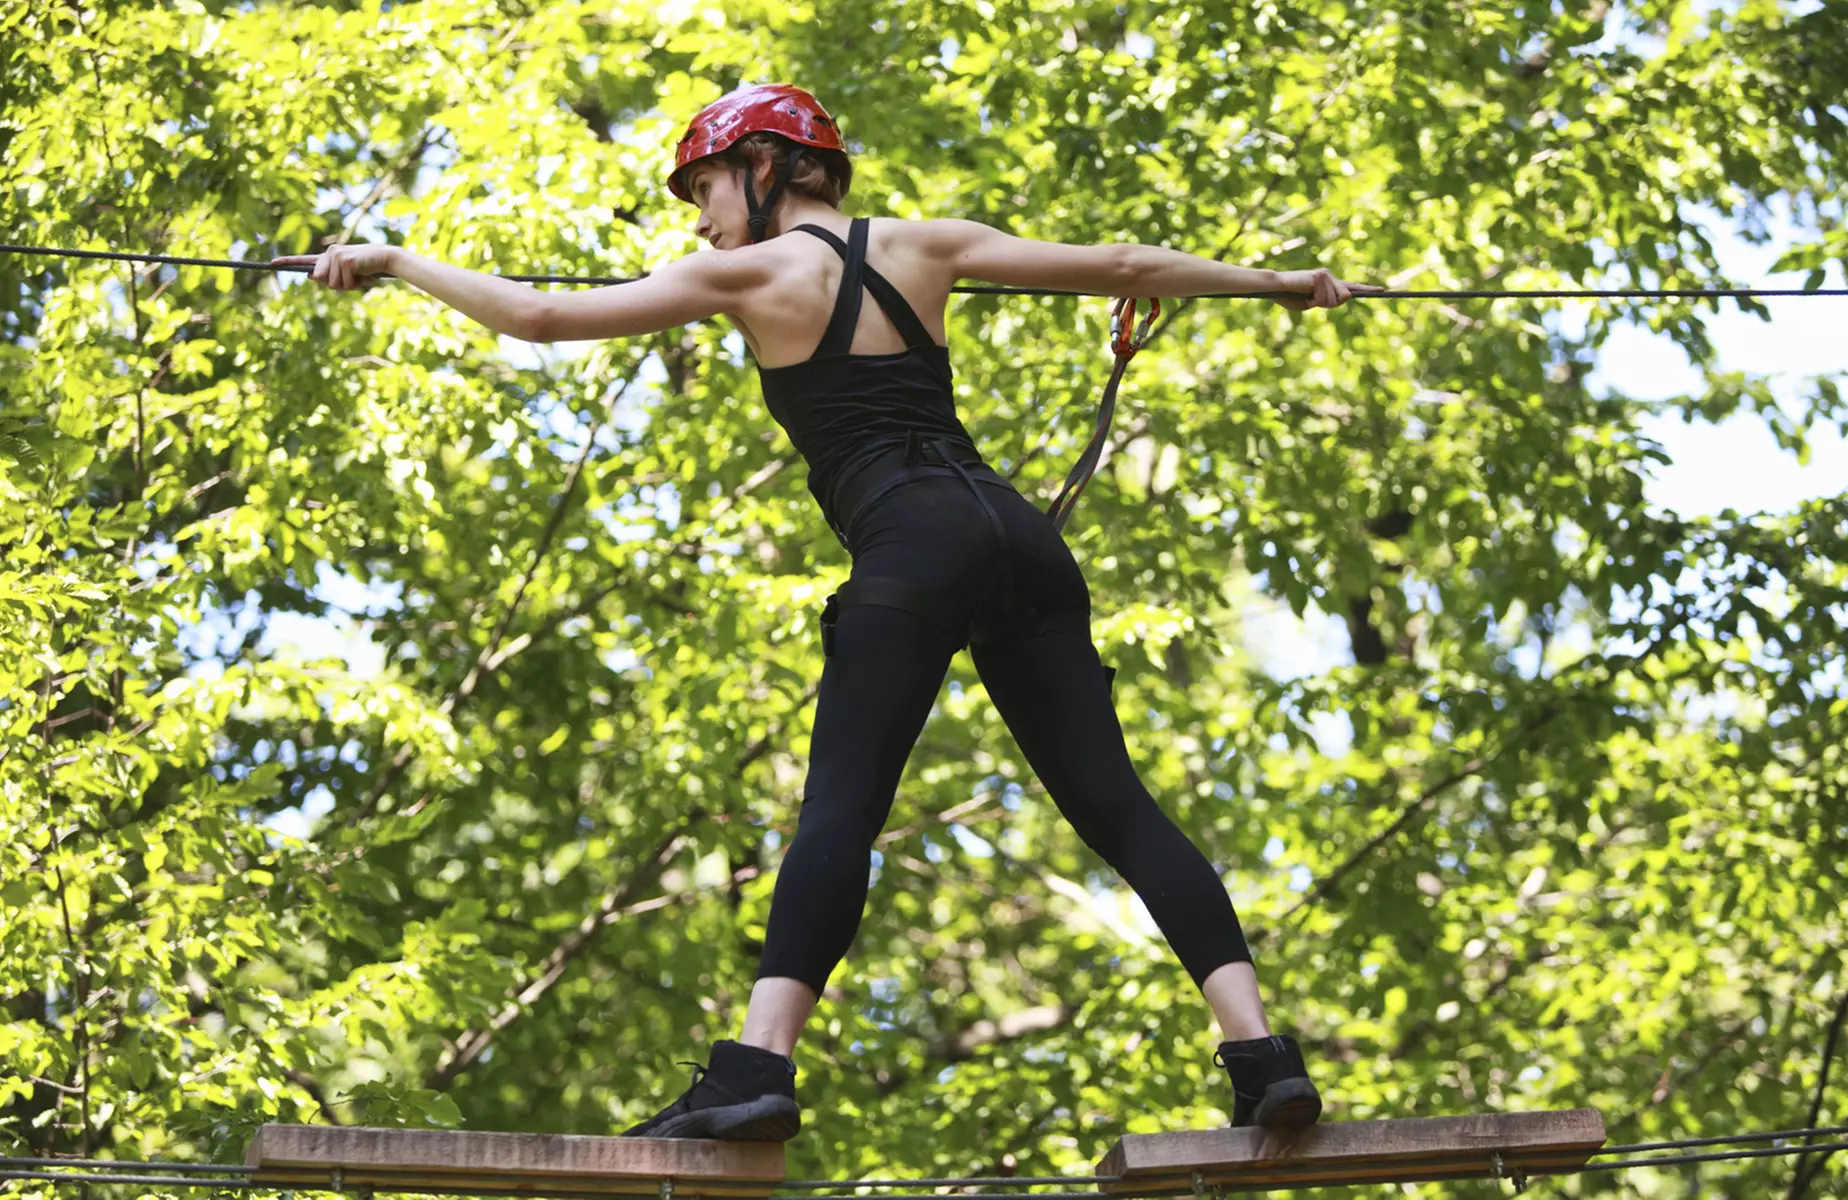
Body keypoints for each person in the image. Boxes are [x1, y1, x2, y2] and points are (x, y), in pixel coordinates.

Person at [277, 82, 1379, 1144]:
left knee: (840, 812)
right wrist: (1278, 284)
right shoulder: (930, 244)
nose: (700, 218)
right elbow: (1128, 266)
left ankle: (756, 1070)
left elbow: (545, 316)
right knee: (1121, 809)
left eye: (703, 186)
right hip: (1018, 535)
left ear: (764, 169)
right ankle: (1263, 1058)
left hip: (910, 545)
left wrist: (395, 260)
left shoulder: (751, 276)